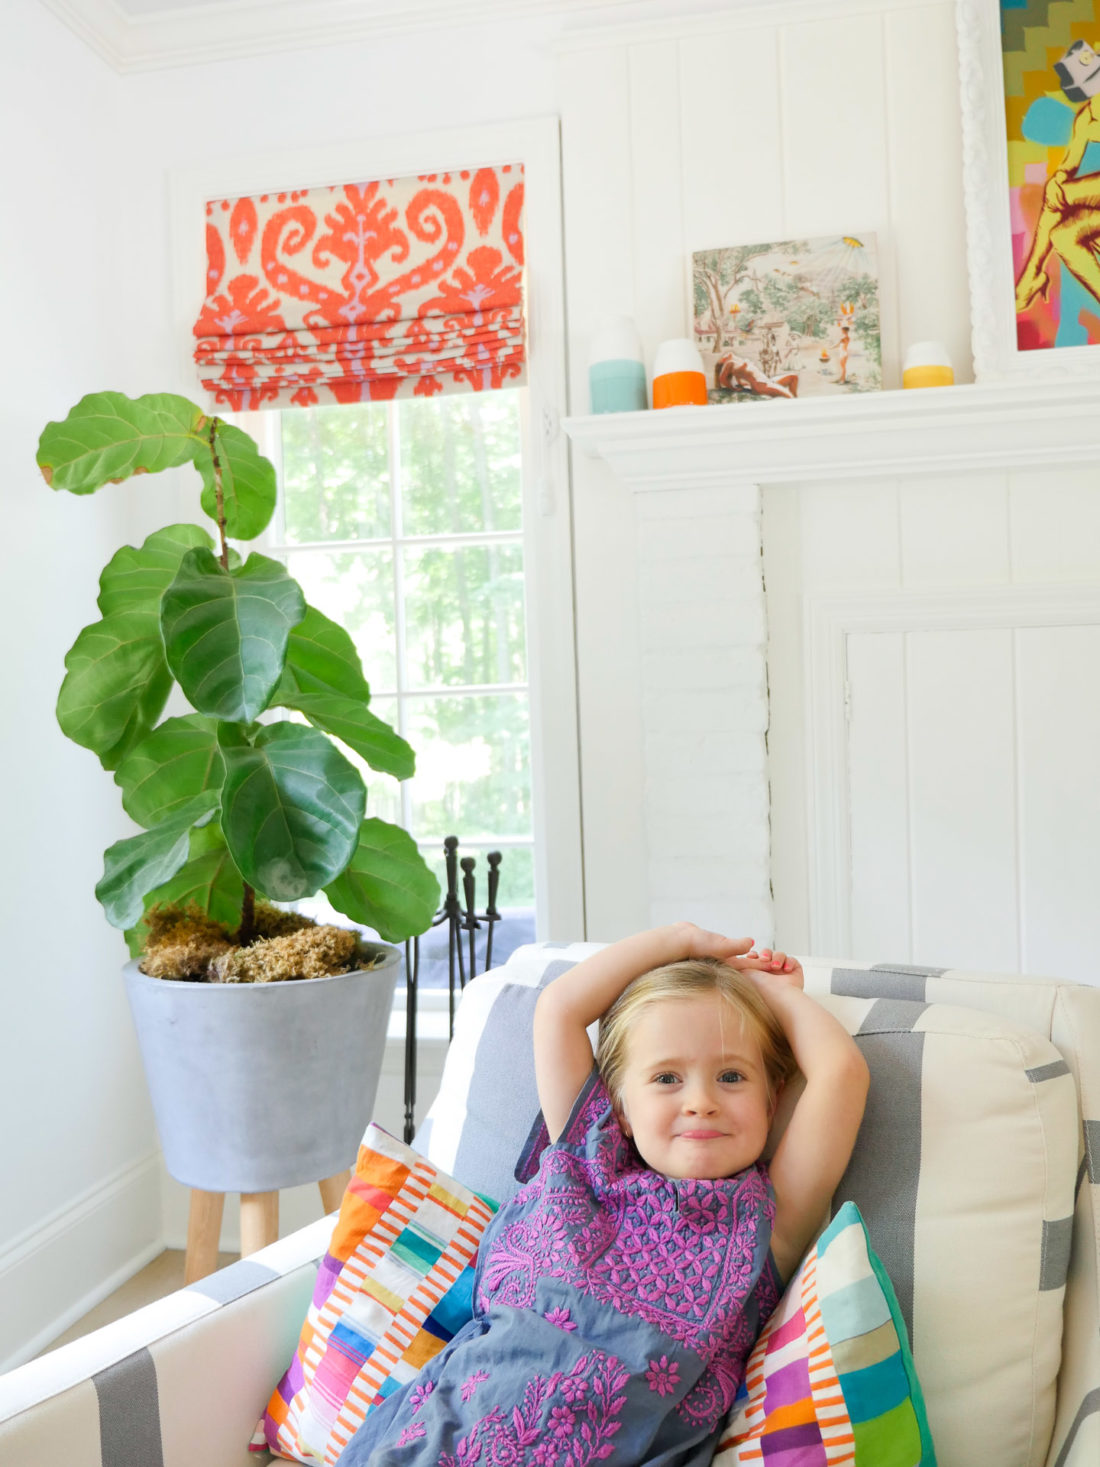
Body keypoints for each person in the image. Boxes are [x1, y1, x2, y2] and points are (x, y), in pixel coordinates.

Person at [337, 924, 869, 1467]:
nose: (701, 1102)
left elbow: (840, 1073)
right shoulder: (585, 1156)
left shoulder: (764, 1225)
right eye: (666, 1079)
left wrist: (779, 997)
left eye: (732, 1076)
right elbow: (559, 1009)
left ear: (772, 1104)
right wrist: (681, 941)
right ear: (619, 1106)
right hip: (439, 1438)